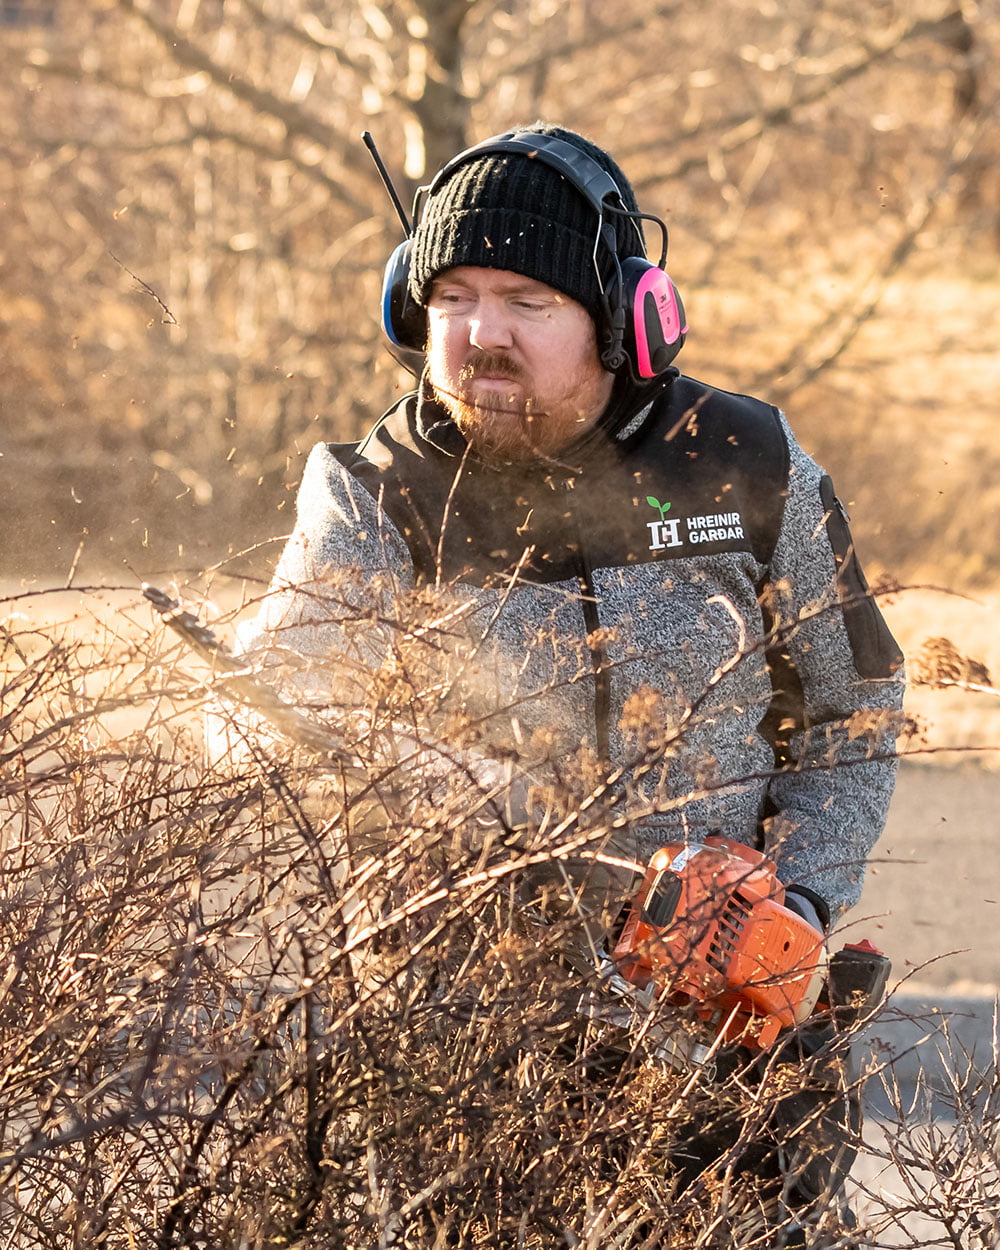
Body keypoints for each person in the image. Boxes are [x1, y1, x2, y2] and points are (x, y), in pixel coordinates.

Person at [237, 122, 905, 1240]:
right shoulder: (374, 492)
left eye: (526, 301)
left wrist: (795, 901)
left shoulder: (744, 459)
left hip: (725, 1035)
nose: (481, 334)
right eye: (452, 296)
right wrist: (419, 763)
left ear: (625, 319)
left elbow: (851, 707)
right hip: (467, 1047)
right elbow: (259, 707)